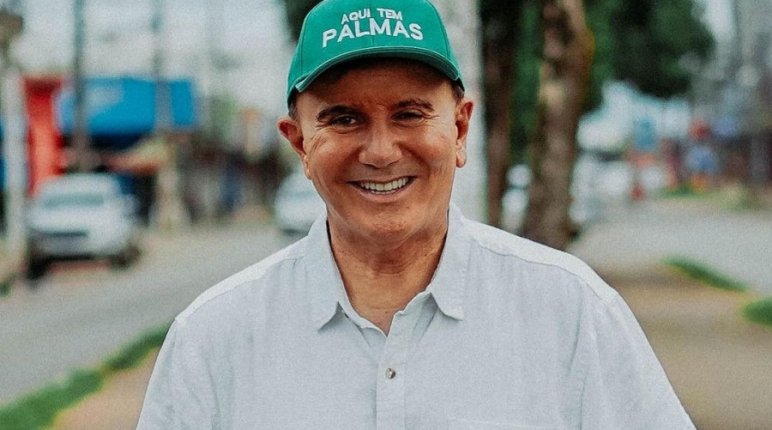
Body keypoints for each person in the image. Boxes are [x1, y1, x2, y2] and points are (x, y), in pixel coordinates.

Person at [137, 0, 694, 428]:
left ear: (460, 128)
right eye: (344, 119)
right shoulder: (212, 339)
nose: (381, 152)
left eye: (409, 114)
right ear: (300, 143)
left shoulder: (571, 313)